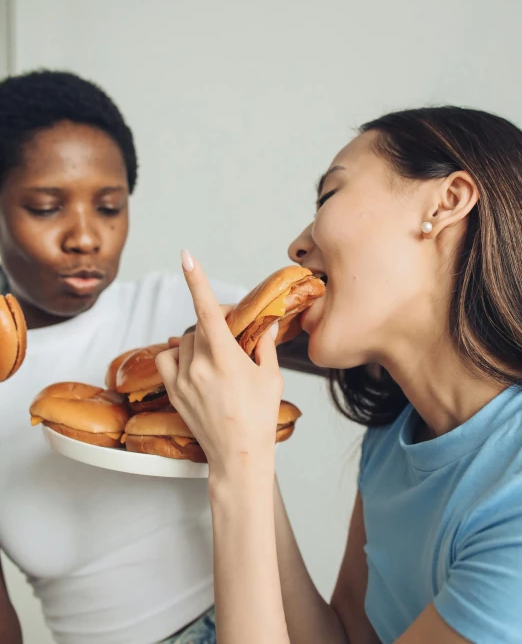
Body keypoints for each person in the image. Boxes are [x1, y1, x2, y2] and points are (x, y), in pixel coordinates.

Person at [158, 106, 522, 644]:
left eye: (329, 196)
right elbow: (346, 635)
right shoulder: (397, 432)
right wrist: (237, 443)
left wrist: (239, 467)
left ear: (446, 203)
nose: (297, 247)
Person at [0, 70, 315, 644]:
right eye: (46, 208)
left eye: (109, 207)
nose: (86, 237)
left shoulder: (172, 308)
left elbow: (361, 352)